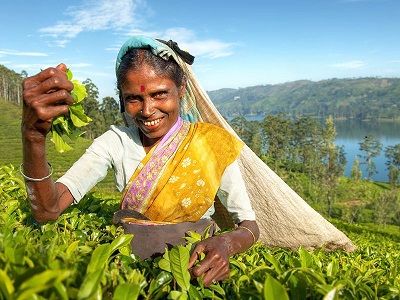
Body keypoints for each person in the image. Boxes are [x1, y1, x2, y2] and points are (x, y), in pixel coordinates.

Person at [21, 35, 259, 287]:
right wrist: (33, 136)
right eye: (134, 98)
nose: (147, 110)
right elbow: (48, 210)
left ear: (181, 89)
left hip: (197, 277)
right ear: (122, 98)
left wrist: (226, 244)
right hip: (129, 275)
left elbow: (249, 226)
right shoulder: (115, 142)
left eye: (160, 94)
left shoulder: (213, 143)